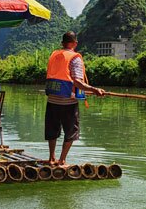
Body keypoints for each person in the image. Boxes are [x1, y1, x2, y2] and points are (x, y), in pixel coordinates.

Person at [45, 31, 105, 167]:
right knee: (71, 131)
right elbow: (77, 82)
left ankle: (51, 158)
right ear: (75, 43)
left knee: (52, 129)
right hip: (68, 102)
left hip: (52, 99)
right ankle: (61, 161)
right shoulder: (75, 58)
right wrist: (94, 89)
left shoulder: (54, 55)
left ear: (62, 43)